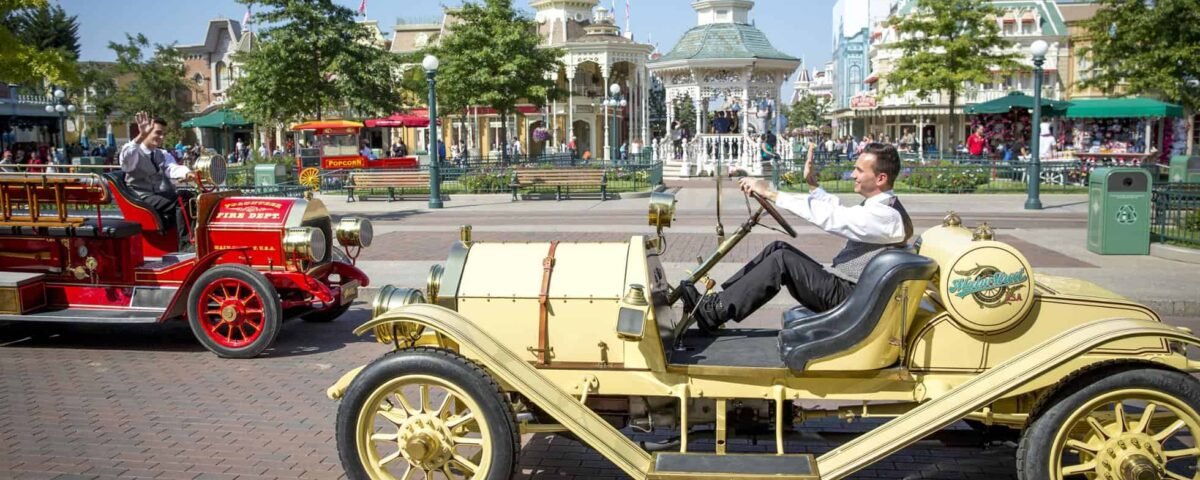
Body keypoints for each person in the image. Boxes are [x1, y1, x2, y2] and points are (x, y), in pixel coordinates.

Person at [678, 143, 913, 334]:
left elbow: (834, 217)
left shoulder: (887, 217)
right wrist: (813, 185)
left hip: (851, 299)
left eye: (859, 171)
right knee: (778, 247)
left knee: (782, 260)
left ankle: (714, 312)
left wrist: (770, 193)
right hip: (850, 290)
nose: (853, 175)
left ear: (880, 178)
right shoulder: (881, 208)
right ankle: (721, 301)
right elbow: (837, 208)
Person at [119, 112, 195, 252]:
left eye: (163, 134)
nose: (162, 137)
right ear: (147, 131)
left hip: (155, 194)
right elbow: (126, 161)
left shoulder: (160, 153)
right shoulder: (134, 151)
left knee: (190, 196)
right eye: (158, 133)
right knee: (181, 200)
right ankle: (186, 246)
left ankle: (194, 237)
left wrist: (188, 173)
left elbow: (171, 168)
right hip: (140, 197)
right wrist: (141, 135)